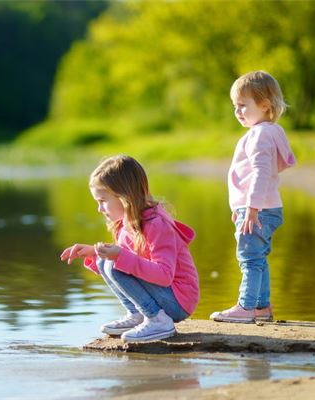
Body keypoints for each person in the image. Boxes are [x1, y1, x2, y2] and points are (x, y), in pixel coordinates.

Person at [59, 155, 199, 342]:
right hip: (164, 296)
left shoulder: (156, 224)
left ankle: (158, 320)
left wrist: (119, 257)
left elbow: (164, 275)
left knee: (115, 263)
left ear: (124, 196)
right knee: (106, 261)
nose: (99, 209)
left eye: (102, 201)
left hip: (179, 300)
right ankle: (137, 314)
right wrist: (95, 252)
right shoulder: (126, 224)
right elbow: (128, 268)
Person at [210, 71, 296, 323]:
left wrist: (251, 207)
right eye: (235, 106)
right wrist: (240, 206)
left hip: (258, 209)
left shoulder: (259, 135)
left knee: (249, 258)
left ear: (265, 106)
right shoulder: (271, 131)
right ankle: (261, 306)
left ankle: (245, 307)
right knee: (258, 258)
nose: (237, 111)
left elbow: (260, 173)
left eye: (242, 105)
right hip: (263, 207)